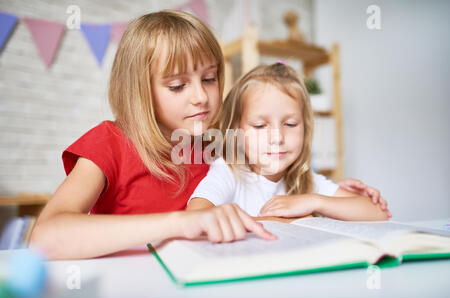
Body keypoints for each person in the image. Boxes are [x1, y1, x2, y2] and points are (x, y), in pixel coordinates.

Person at [30, 11, 387, 260]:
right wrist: (179, 222)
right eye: (177, 85)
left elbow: (274, 177)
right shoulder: (109, 142)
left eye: (210, 78)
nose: (201, 96)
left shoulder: (219, 144)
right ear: (140, 89)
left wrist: (333, 191)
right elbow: (45, 238)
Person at [187, 62, 391, 222]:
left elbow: (378, 213)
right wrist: (289, 220)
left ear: (305, 127)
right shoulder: (228, 172)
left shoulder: (305, 180)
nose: (277, 138)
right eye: (260, 126)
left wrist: (314, 202)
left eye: (291, 124)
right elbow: (196, 218)